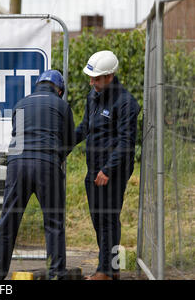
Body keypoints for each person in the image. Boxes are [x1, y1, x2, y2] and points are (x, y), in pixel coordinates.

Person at [0, 70, 75, 280]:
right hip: (47, 165)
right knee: (54, 222)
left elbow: (16, 133)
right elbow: (69, 140)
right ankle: (56, 275)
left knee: (8, 220)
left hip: (17, 165)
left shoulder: (21, 104)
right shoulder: (62, 106)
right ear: (59, 90)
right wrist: (56, 156)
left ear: (38, 85)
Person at [75, 50, 140, 280]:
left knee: (107, 220)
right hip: (94, 169)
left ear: (110, 76)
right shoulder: (93, 96)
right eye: (91, 78)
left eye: (97, 78)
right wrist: (63, 147)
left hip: (112, 172)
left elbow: (126, 143)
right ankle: (113, 269)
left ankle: (104, 271)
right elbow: (84, 127)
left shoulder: (126, 103)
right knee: (98, 219)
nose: (92, 82)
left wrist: (108, 170)